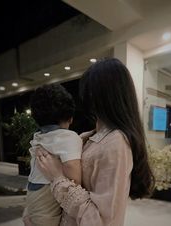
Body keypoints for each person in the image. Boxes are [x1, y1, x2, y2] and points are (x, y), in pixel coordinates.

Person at [36, 58, 154, 226]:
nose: (86, 101)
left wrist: (57, 177)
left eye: (89, 93)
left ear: (102, 96)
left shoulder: (116, 143)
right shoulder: (89, 137)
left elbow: (99, 221)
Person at [23, 84, 83, 226]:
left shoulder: (38, 137)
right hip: (46, 196)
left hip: (32, 194)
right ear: (70, 118)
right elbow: (73, 173)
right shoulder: (68, 137)